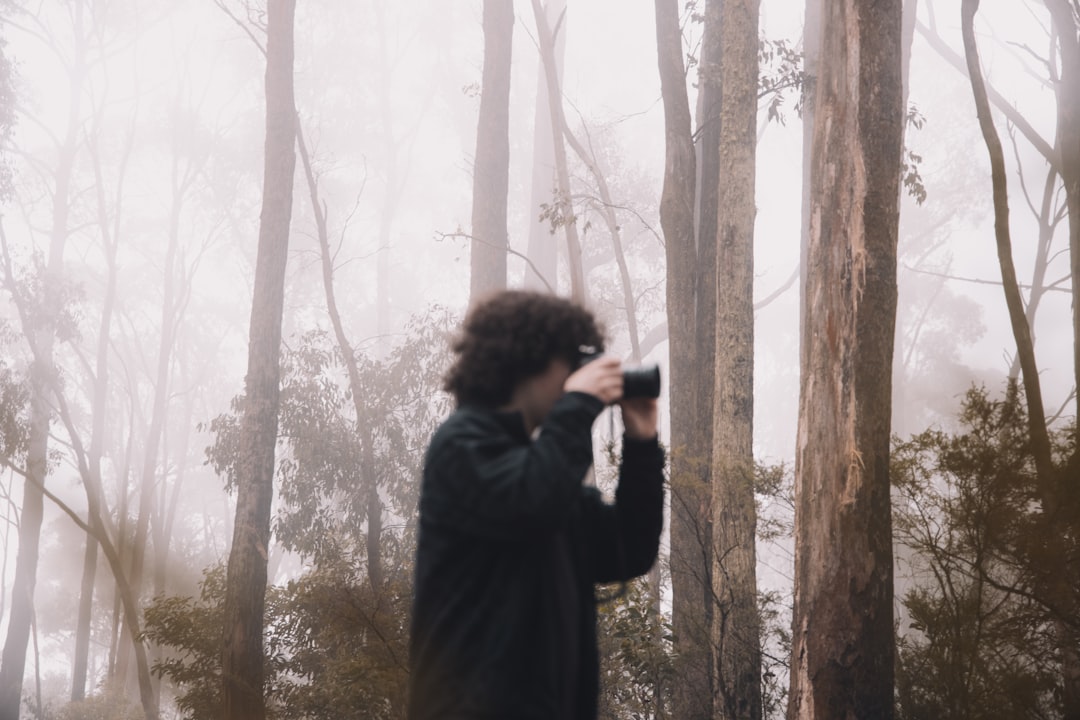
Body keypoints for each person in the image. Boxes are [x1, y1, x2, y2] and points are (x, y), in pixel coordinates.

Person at [407, 290, 665, 720]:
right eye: (573, 360)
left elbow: (628, 549)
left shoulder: (541, 469)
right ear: (530, 359)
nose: (576, 376)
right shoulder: (461, 446)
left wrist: (641, 442)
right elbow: (531, 501)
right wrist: (579, 405)